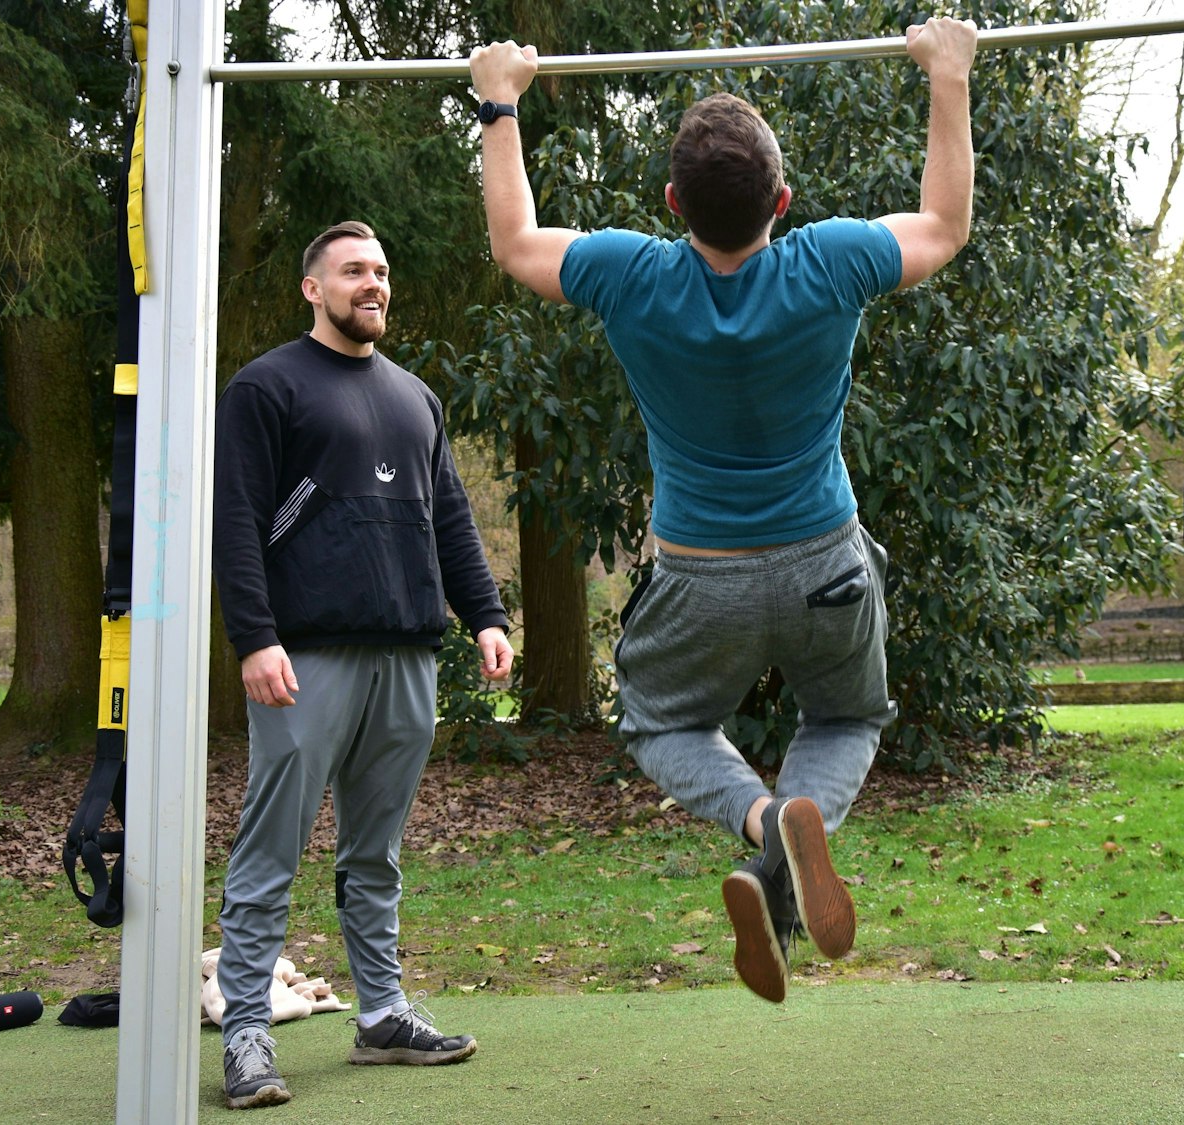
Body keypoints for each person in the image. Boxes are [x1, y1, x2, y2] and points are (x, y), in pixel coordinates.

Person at [469, 16, 977, 1002]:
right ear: (781, 201)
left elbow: (513, 240)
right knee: (843, 714)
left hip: (700, 573)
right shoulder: (827, 261)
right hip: (824, 557)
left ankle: (759, 827)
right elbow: (943, 226)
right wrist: (945, 77)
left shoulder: (630, 274)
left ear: (669, 203)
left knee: (661, 728)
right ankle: (793, 828)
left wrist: (498, 102)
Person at [211, 220, 516, 1108]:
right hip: (303, 657)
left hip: (406, 655)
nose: (371, 284)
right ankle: (246, 1035)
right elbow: (236, 520)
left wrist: (486, 616)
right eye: (352, 271)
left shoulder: (417, 398)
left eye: (381, 270)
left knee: (374, 851)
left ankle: (381, 1015)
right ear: (314, 288)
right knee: (271, 847)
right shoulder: (266, 387)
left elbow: (450, 517)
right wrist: (253, 636)